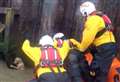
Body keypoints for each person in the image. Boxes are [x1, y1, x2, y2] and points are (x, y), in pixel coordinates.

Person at [69, 1, 116, 82]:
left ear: (85, 11)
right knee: (99, 71)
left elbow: (86, 42)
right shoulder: (100, 17)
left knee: (98, 73)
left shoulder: (92, 20)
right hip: (108, 47)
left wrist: (77, 46)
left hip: (104, 48)